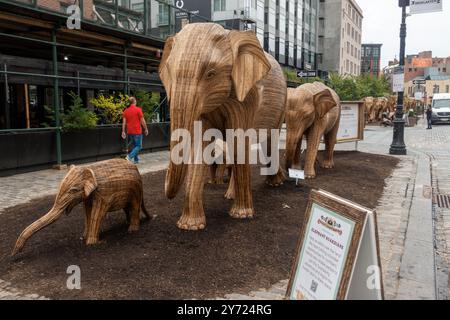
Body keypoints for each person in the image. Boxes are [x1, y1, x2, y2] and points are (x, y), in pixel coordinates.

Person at [122, 97, 149, 164]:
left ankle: (136, 160)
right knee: (139, 146)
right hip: (137, 131)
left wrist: (123, 131)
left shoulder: (125, 111)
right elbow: (142, 121)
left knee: (135, 146)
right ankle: (129, 157)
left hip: (130, 131)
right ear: (134, 101)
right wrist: (145, 129)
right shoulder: (138, 110)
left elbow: (124, 122)